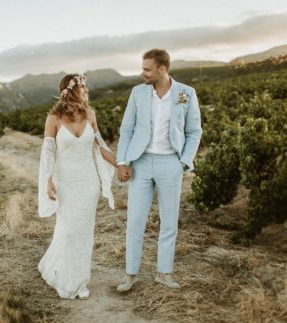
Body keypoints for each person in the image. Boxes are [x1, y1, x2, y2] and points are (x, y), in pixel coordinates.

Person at [115, 49, 202, 292]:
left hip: (170, 164)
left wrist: (184, 161)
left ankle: (164, 273)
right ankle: (130, 274)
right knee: (135, 221)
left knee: (169, 222)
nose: (142, 73)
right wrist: (122, 161)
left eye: (147, 69)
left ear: (162, 69)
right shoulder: (138, 93)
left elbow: (195, 131)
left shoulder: (186, 93)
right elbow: (127, 130)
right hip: (140, 163)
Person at [38, 73, 116, 299]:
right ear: (71, 90)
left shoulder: (91, 114)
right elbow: (48, 154)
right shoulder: (53, 118)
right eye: (84, 87)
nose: (87, 91)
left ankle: (79, 280)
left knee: (83, 233)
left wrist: (120, 165)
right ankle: (62, 274)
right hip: (66, 182)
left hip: (88, 182)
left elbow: (100, 146)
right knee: (69, 230)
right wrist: (48, 180)